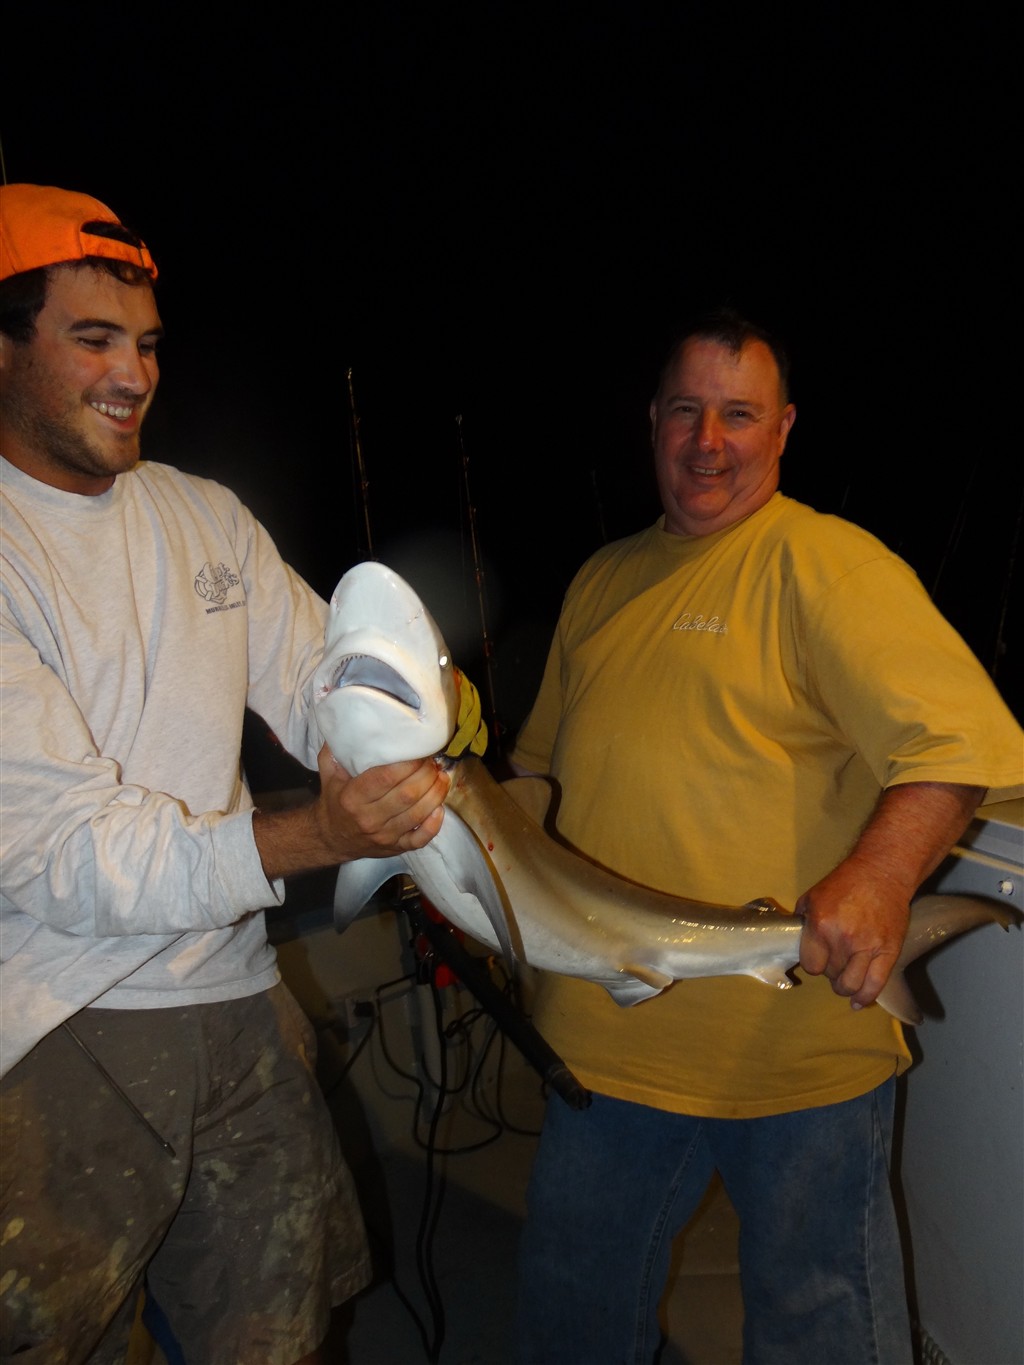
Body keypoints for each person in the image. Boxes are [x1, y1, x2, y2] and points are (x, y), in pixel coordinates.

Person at [0, 184, 486, 1365]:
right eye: (94, 340)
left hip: (236, 993)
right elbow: (68, 854)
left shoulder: (204, 516)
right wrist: (321, 836)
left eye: (148, 343)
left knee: (287, 1338)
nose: (135, 375)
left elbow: (325, 682)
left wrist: (426, 718)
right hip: (61, 1024)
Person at [508, 306, 1024, 1364]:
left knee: (818, 1324)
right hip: (605, 1040)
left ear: (784, 428)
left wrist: (881, 879)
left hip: (793, 1042)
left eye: (738, 415)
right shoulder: (600, 580)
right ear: (653, 421)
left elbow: (962, 741)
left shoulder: (829, 566)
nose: (709, 441)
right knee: (570, 1317)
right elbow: (535, 780)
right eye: (686, 411)